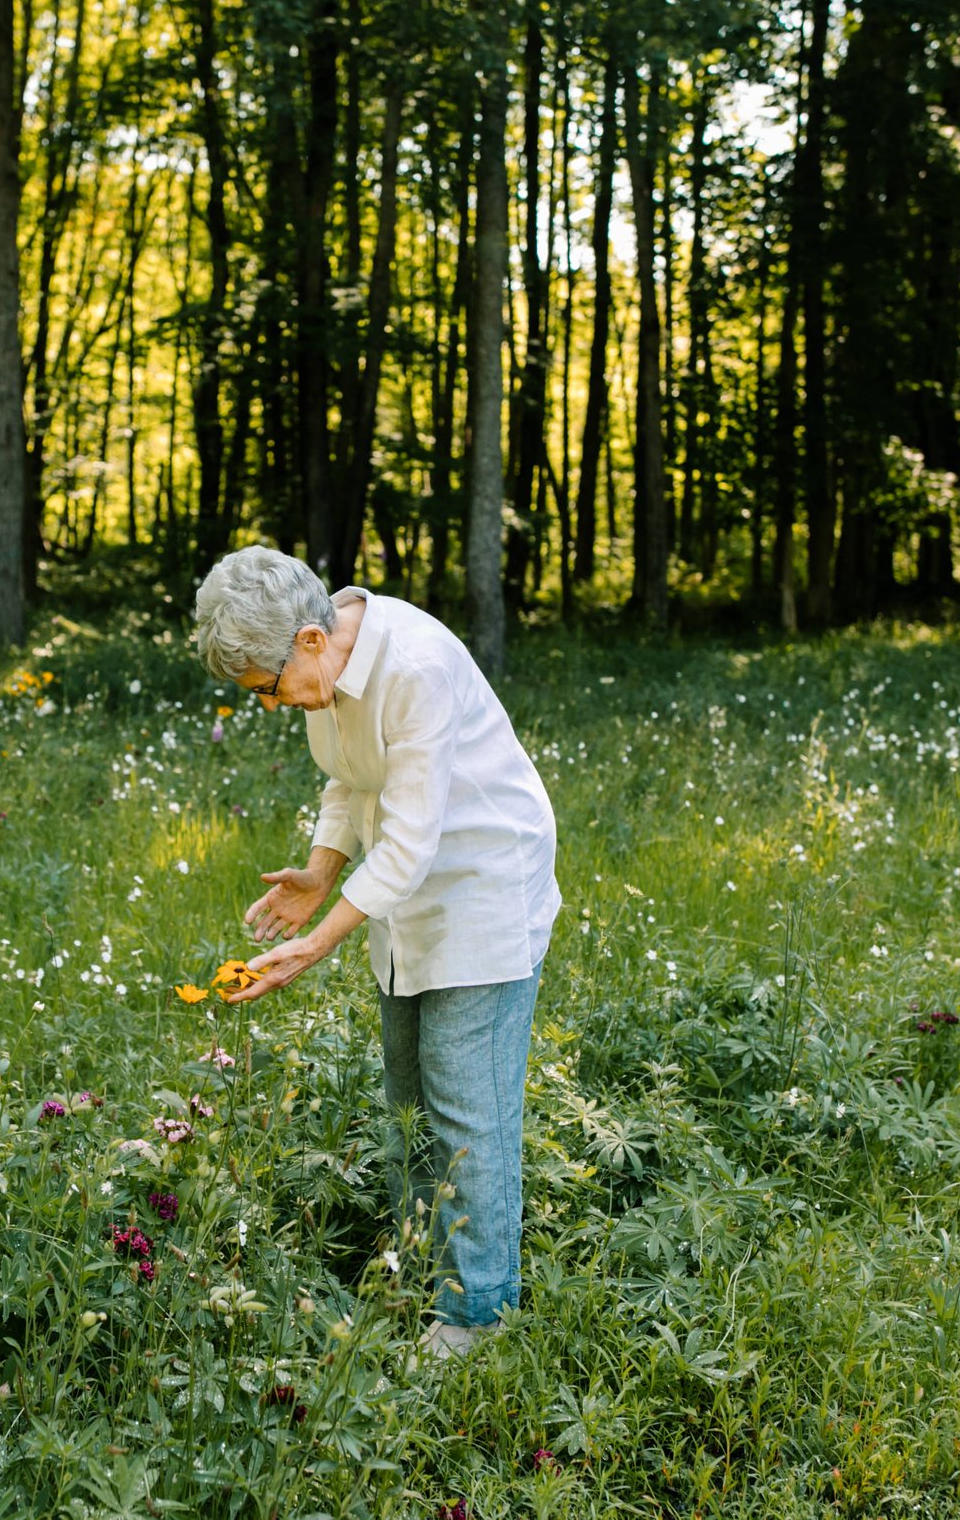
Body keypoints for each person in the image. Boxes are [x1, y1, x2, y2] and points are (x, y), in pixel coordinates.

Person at [189, 546, 561, 1355]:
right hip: (401, 894)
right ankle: (420, 1268)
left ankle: (481, 1314)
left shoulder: (414, 666)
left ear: (310, 642)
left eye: (265, 684)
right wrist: (320, 872)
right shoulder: (325, 666)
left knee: (467, 1107)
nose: (266, 703)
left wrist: (316, 944)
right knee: (407, 1099)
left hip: (483, 885)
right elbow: (349, 778)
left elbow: (412, 841)